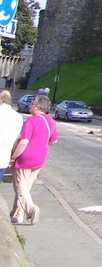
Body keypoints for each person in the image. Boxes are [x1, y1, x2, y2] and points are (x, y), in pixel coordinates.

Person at [9, 94, 58, 225]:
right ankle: (16, 214)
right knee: (25, 188)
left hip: (25, 158)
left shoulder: (31, 121)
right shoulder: (50, 121)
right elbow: (53, 141)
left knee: (20, 187)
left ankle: (31, 210)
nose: (30, 106)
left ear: (37, 106)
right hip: (40, 158)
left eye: (32, 104)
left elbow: (24, 142)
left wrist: (13, 157)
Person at [0, 90, 22, 183]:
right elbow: (17, 140)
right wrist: (12, 157)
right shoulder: (18, 117)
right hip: (3, 158)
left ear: (1, 100)